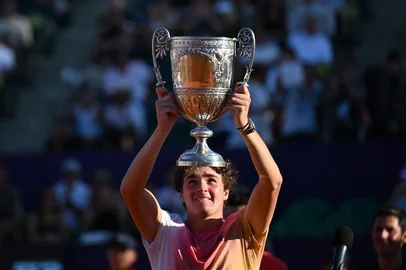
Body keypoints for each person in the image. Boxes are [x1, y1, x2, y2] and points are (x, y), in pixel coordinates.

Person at [120, 82, 283, 269]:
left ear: (226, 192)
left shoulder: (243, 230)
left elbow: (272, 182)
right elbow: (130, 190)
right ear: (181, 194)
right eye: (192, 182)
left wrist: (245, 126)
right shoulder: (164, 230)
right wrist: (162, 130)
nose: (202, 187)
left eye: (211, 180)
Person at [225, 188, 289, 270]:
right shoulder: (210, 260)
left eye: (244, 220)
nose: (236, 226)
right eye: (230, 219)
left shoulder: (274, 265)